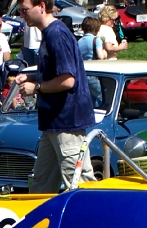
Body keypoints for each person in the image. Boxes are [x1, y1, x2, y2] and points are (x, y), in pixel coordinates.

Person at [15, 0, 96, 193]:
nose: (22, 15)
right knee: (41, 187)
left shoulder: (56, 34)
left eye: (25, 10)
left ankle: (94, 213)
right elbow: (58, 73)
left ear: (42, 6)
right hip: (53, 123)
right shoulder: (49, 33)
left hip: (67, 123)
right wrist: (32, 77)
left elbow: (68, 80)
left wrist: (36, 87)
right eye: (20, 11)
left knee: (79, 185)